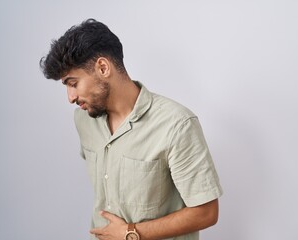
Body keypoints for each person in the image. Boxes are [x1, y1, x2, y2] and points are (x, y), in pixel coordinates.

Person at [40, 19, 223, 240]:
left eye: (73, 83)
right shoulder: (84, 119)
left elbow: (207, 213)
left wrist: (131, 233)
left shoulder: (177, 124)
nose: (70, 98)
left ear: (103, 68)